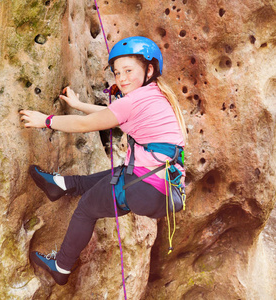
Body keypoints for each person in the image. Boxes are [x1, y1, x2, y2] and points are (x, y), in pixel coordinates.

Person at [19, 36, 187, 285]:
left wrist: (46, 120)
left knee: (87, 208)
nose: (122, 78)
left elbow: (88, 125)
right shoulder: (155, 96)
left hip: (146, 188)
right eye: (118, 72)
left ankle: (61, 267)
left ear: (149, 69)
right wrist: (78, 104)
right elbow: (112, 116)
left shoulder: (138, 100)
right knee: (116, 176)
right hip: (161, 190)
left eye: (129, 70)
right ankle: (61, 185)